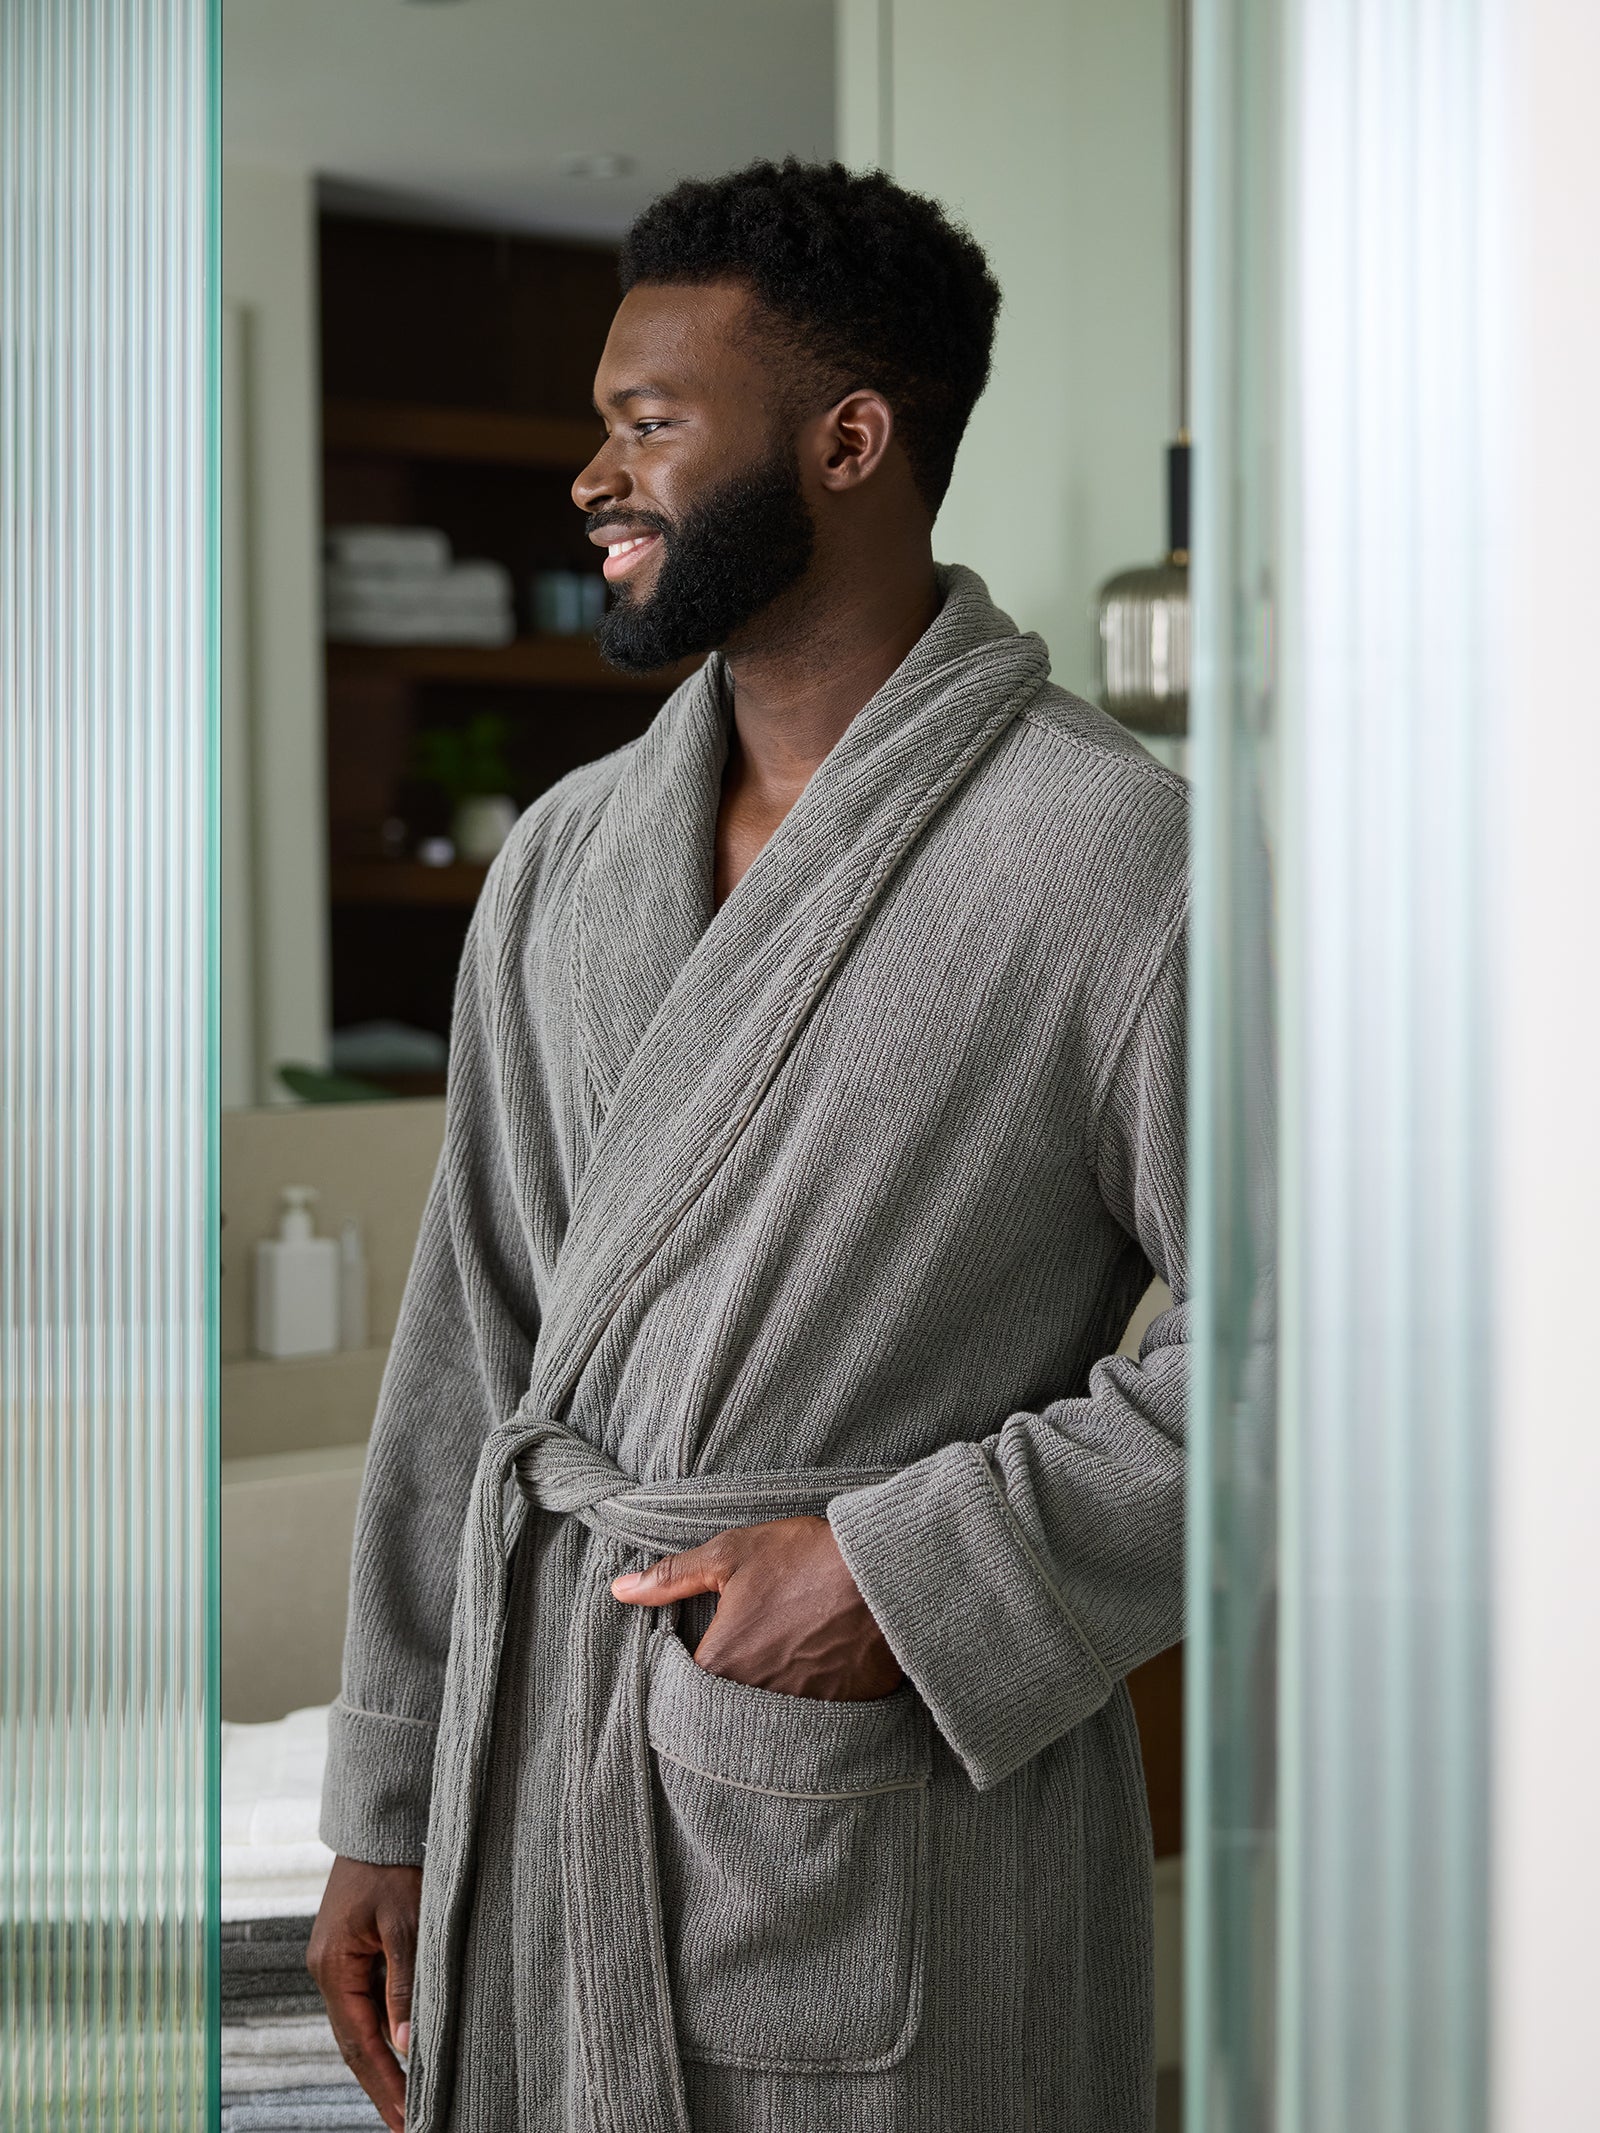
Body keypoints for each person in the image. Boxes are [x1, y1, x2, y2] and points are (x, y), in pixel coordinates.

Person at [310, 158, 1187, 2133]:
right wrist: (387, 1800)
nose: (589, 477)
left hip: (860, 1812)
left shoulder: (1112, 854)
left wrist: (904, 1568)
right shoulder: (560, 855)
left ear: (846, 439)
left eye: (646, 422)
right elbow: (468, 1351)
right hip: (535, 1780)